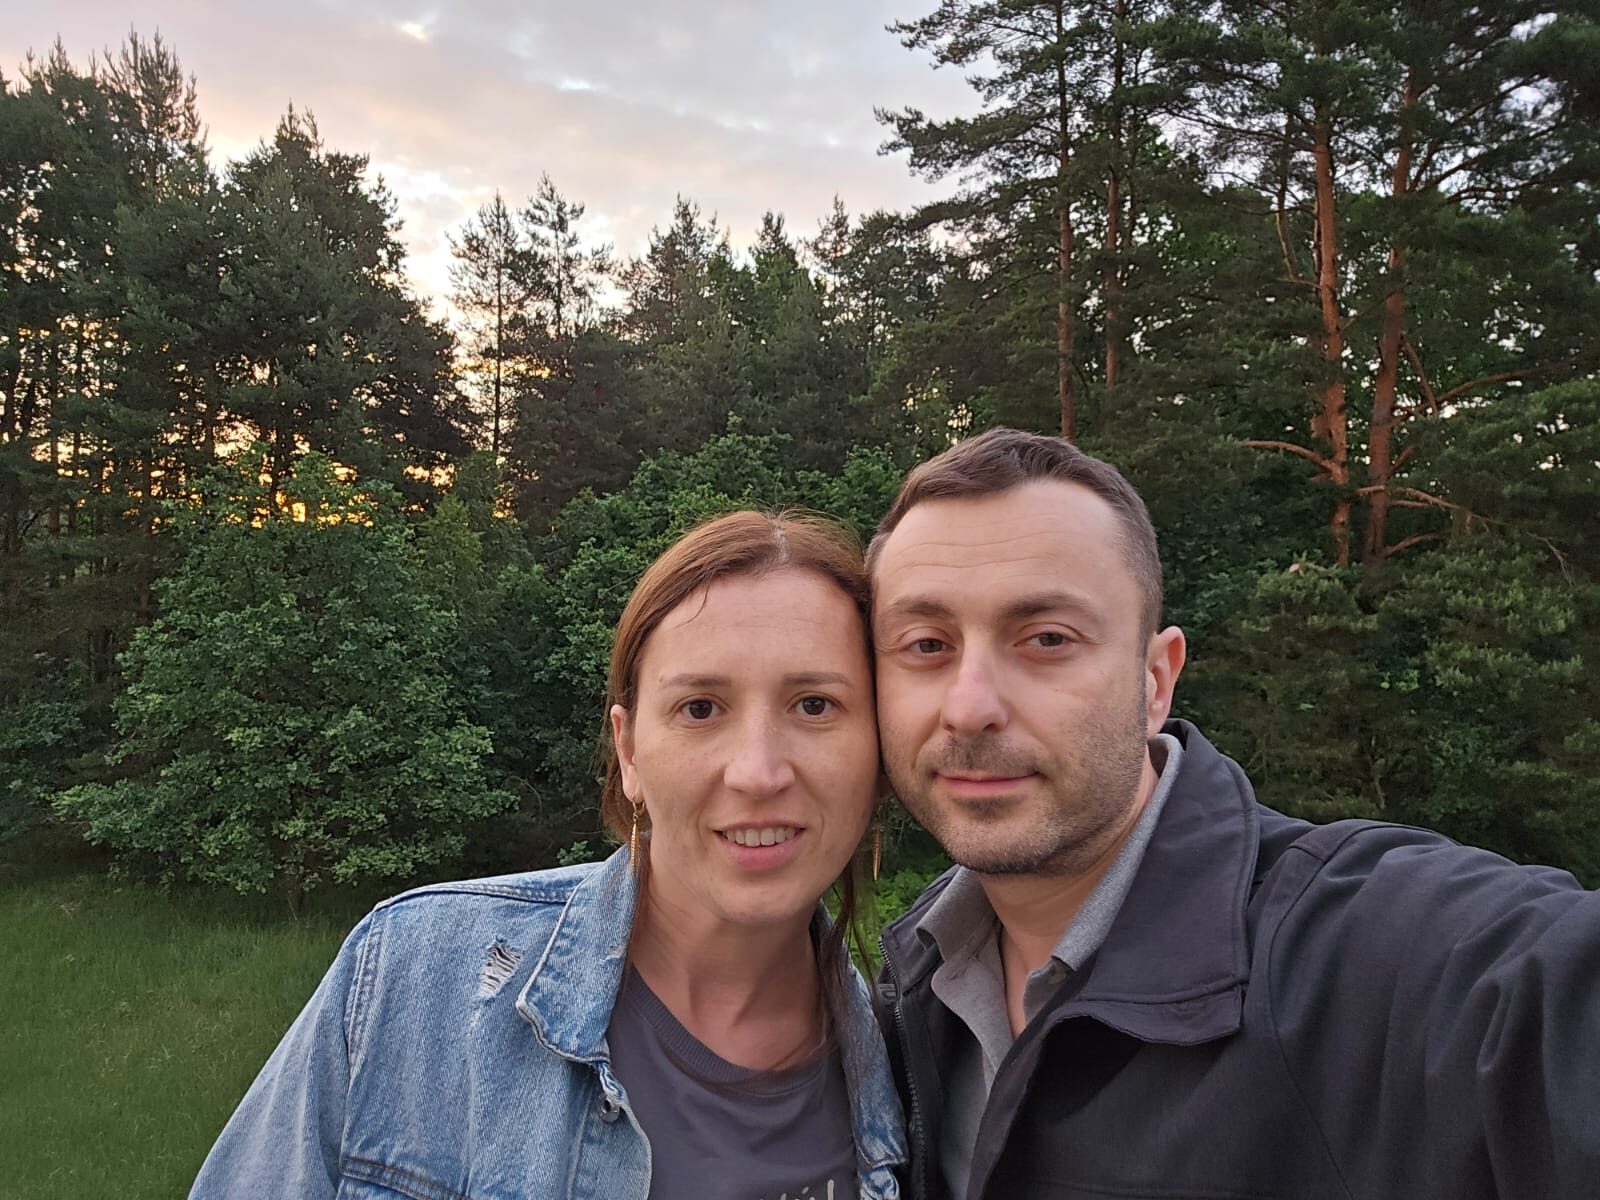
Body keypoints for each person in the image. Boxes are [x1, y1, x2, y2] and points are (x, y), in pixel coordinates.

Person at [868, 427, 1600, 1200]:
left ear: (1156, 682)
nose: (970, 706)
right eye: (926, 645)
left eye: (1047, 638)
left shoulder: (1368, 959)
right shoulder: (915, 982)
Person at [191, 510, 906, 1200]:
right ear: (629, 751)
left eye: (815, 705)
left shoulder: (922, 1069)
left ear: (880, 751)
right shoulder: (410, 977)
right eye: (700, 708)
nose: (757, 772)